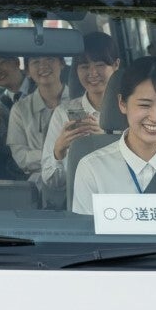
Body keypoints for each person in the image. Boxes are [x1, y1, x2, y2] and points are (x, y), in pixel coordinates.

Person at [73, 56, 156, 216]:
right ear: (122, 103)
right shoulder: (93, 169)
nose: (155, 117)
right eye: (144, 105)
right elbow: (86, 232)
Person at [41, 32, 120, 208]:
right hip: (80, 205)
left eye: (100, 65)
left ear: (116, 65)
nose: (92, 73)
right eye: (84, 66)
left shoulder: (131, 110)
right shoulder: (63, 114)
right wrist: (59, 151)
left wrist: (106, 142)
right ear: (76, 70)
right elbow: (52, 182)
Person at [6, 55, 70, 198]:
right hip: (37, 187)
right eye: (36, 62)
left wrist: (39, 156)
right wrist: (57, 154)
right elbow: (22, 158)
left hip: (78, 178)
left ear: (62, 63)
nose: (43, 66)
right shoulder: (20, 109)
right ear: (27, 71)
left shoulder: (80, 102)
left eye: (50, 59)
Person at [0, 49, 35, 179]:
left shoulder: (41, 88)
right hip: (18, 171)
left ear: (16, 62)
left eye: (2, 62)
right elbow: (5, 150)